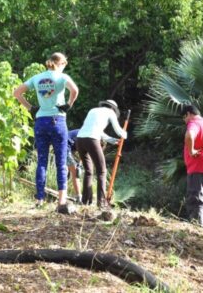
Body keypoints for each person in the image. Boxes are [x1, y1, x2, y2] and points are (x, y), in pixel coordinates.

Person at [13, 52, 79, 212]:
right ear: (62, 63)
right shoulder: (62, 77)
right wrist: (68, 105)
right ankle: (61, 201)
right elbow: (75, 90)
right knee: (61, 161)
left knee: (42, 161)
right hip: (58, 120)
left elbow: (16, 93)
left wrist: (30, 107)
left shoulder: (37, 78)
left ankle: (40, 200)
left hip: (41, 121)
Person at [76, 100, 127, 209]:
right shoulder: (110, 112)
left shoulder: (93, 110)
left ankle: (85, 201)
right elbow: (119, 130)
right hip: (92, 140)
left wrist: (111, 140)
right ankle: (101, 203)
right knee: (102, 171)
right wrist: (125, 134)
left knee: (88, 171)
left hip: (79, 139)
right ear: (113, 109)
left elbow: (96, 130)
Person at [66, 129, 82, 202]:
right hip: (64, 145)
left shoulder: (86, 134)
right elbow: (83, 151)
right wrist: (79, 165)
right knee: (75, 171)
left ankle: (63, 193)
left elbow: (82, 153)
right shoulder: (85, 136)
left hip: (66, 146)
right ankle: (79, 197)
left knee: (67, 170)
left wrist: (80, 163)